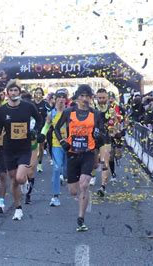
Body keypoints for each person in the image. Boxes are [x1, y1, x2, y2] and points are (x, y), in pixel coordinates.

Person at [54, 84, 104, 232]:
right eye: (81, 96)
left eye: (87, 96)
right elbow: (56, 128)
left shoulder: (95, 114)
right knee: (73, 191)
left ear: (90, 98)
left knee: (84, 184)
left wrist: (98, 135)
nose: (84, 99)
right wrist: (63, 142)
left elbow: (102, 134)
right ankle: (83, 197)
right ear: (77, 97)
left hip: (88, 153)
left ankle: (81, 218)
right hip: (72, 154)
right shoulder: (69, 112)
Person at [0, 80, 43, 221]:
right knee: (14, 180)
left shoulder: (28, 107)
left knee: (20, 178)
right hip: (9, 148)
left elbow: (39, 120)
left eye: (16, 91)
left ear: (19, 93)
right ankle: (18, 208)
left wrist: (35, 131)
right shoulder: (2, 110)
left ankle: (25, 180)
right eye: (11, 91)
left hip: (25, 148)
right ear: (7, 93)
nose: (14, 93)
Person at [41, 89, 68, 206]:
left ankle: (64, 176)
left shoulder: (70, 112)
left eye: (64, 97)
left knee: (67, 171)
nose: (61, 99)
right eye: (59, 97)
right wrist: (42, 135)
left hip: (69, 145)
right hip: (57, 145)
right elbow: (46, 126)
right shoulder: (51, 113)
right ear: (55, 98)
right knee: (56, 169)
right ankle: (55, 196)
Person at [32, 87, 50, 173]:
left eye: (40, 93)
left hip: (43, 128)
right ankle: (32, 163)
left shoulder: (45, 104)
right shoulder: (31, 104)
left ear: (42, 94)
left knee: (41, 147)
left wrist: (48, 124)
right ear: (34, 94)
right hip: (33, 128)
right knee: (32, 146)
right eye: (37, 92)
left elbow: (50, 115)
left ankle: (39, 164)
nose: (38, 94)